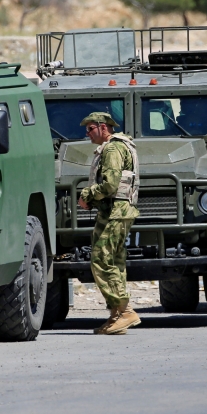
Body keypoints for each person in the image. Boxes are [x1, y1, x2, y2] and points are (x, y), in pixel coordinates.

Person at [77, 112, 141, 335]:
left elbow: (110, 185)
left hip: (115, 211)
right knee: (115, 261)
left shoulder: (112, 149)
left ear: (104, 128)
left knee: (102, 260)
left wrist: (87, 195)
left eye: (91, 129)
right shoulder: (120, 145)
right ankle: (117, 314)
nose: (88, 134)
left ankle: (125, 312)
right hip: (116, 211)